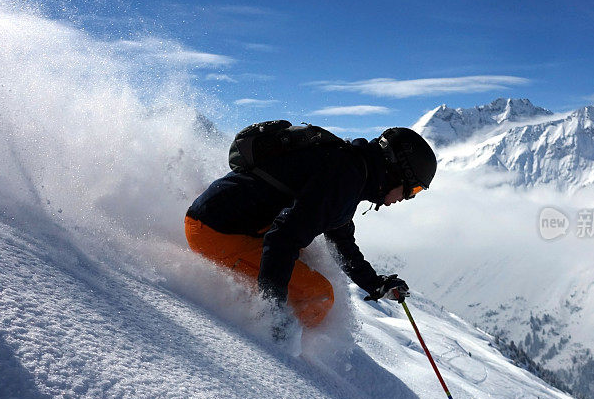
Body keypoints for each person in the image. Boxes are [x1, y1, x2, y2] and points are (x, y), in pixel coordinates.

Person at [184, 124, 436, 336]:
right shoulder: (345, 178)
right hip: (216, 231)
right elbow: (282, 239)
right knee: (319, 295)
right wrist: (273, 311)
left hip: (225, 219)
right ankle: (270, 350)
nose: (406, 198)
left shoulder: (351, 169)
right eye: (412, 190)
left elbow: (341, 240)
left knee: (304, 257)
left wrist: (375, 284)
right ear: (397, 171)